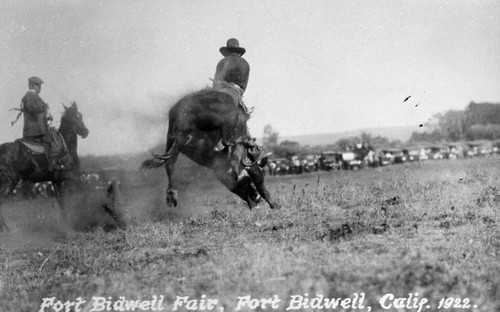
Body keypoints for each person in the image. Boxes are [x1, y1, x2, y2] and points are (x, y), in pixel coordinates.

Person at [20, 76, 55, 170]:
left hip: (38, 128)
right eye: (37, 85)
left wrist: (47, 117)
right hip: (35, 130)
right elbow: (31, 108)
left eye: (40, 85)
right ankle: (50, 167)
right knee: (51, 141)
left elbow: (38, 114)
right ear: (30, 85)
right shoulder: (30, 95)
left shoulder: (35, 96)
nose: (39, 87)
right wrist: (43, 108)